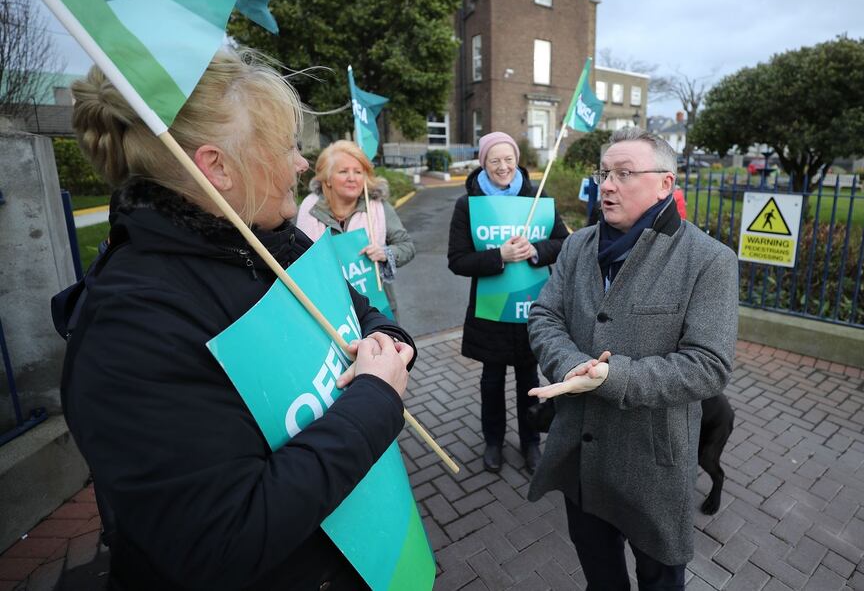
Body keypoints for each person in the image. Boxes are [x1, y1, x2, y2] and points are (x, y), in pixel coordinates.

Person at [60, 48, 417, 590]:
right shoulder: (132, 325)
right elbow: (221, 539)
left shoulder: (274, 240)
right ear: (216, 167)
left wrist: (390, 341)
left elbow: (363, 312)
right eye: (286, 147)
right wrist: (374, 401)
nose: (302, 165)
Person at [527, 127, 738, 590]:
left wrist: (610, 376)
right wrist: (569, 366)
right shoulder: (579, 245)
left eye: (624, 173)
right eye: (604, 173)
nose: (606, 185)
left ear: (665, 184)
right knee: (601, 580)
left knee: (660, 581)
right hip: (580, 459)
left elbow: (708, 364)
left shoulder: (708, 261)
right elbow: (544, 316)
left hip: (653, 468)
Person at [447, 131, 568, 473]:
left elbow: (563, 242)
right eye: (495, 160)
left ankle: (531, 443)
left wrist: (536, 251)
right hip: (491, 312)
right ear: (483, 162)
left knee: (530, 381)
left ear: (518, 161)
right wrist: (498, 255)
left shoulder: (538, 198)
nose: (503, 167)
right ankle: (493, 441)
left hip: (532, 309)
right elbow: (457, 260)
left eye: (509, 160)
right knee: (491, 381)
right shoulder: (467, 205)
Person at [295, 140, 415, 321]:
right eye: (343, 171)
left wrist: (385, 253)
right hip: (328, 313)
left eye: (358, 172)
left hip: (376, 308)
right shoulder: (308, 210)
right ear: (327, 178)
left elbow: (407, 246)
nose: (352, 178)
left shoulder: (378, 207)